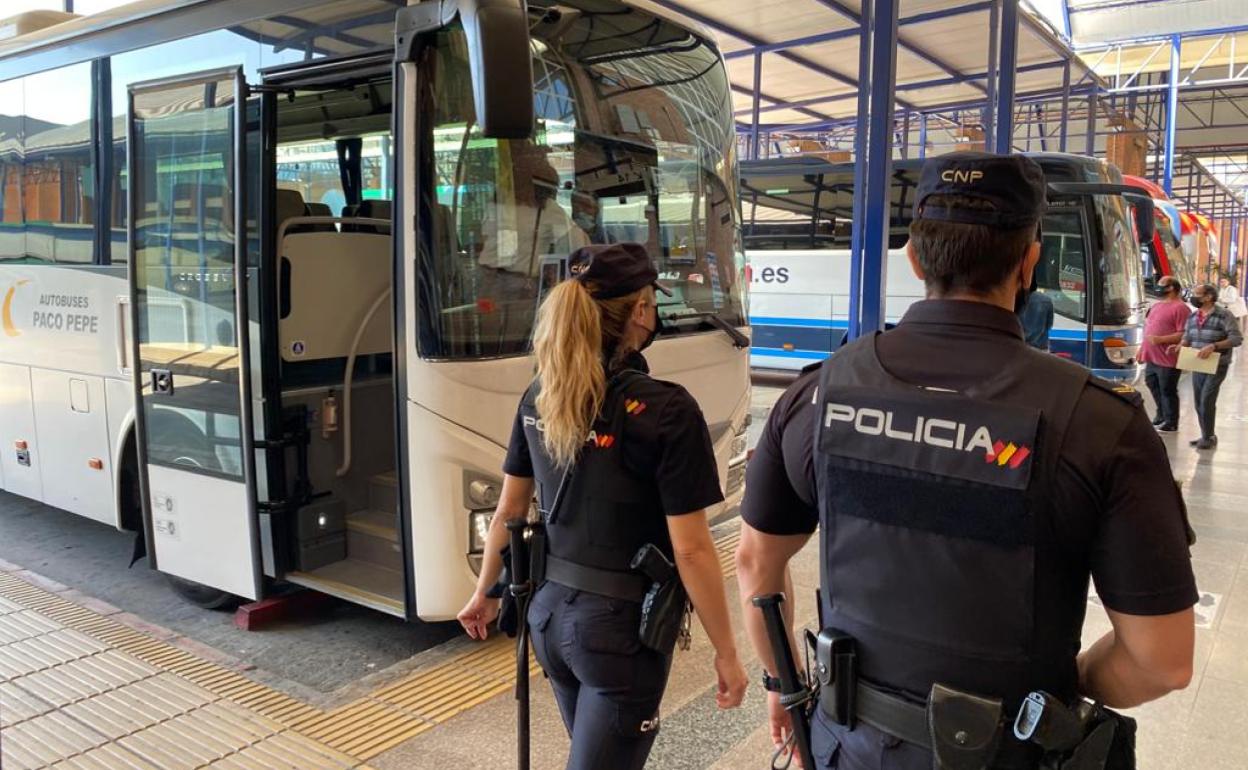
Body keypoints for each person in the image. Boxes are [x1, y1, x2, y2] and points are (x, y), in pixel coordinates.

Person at [735, 153, 1196, 769]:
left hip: (850, 746)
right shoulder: (1099, 422)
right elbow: (1160, 659)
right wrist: (1071, 684)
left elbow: (754, 566)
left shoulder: (817, 395)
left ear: (916, 258)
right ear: (1030, 262)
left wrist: (781, 685)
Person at [457, 242, 748, 769]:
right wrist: (727, 653)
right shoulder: (667, 410)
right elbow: (693, 551)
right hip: (619, 638)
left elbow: (510, 512)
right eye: (652, 302)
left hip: (547, 620)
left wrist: (485, 593)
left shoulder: (540, 396)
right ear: (639, 310)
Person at [1174, 283, 1243, 450]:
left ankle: (1208, 436)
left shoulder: (1224, 315)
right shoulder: (1193, 316)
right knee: (1199, 402)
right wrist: (1181, 344)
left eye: (1197, 294)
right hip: (1197, 364)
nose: (1193, 297)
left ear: (1209, 297)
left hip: (1217, 365)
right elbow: (1187, 335)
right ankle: (1207, 435)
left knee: (1206, 400)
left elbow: (1237, 338)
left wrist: (1214, 346)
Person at [1139, 276, 1190, 432]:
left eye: (1162, 285)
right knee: (1152, 384)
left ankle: (1171, 421)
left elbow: (1184, 333)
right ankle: (1161, 414)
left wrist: (1161, 339)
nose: (1158, 287)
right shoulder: (1156, 306)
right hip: (1152, 357)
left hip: (1168, 358)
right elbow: (1148, 329)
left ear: (1172, 288)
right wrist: (1141, 349)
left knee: (1167, 389)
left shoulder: (1181, 308)